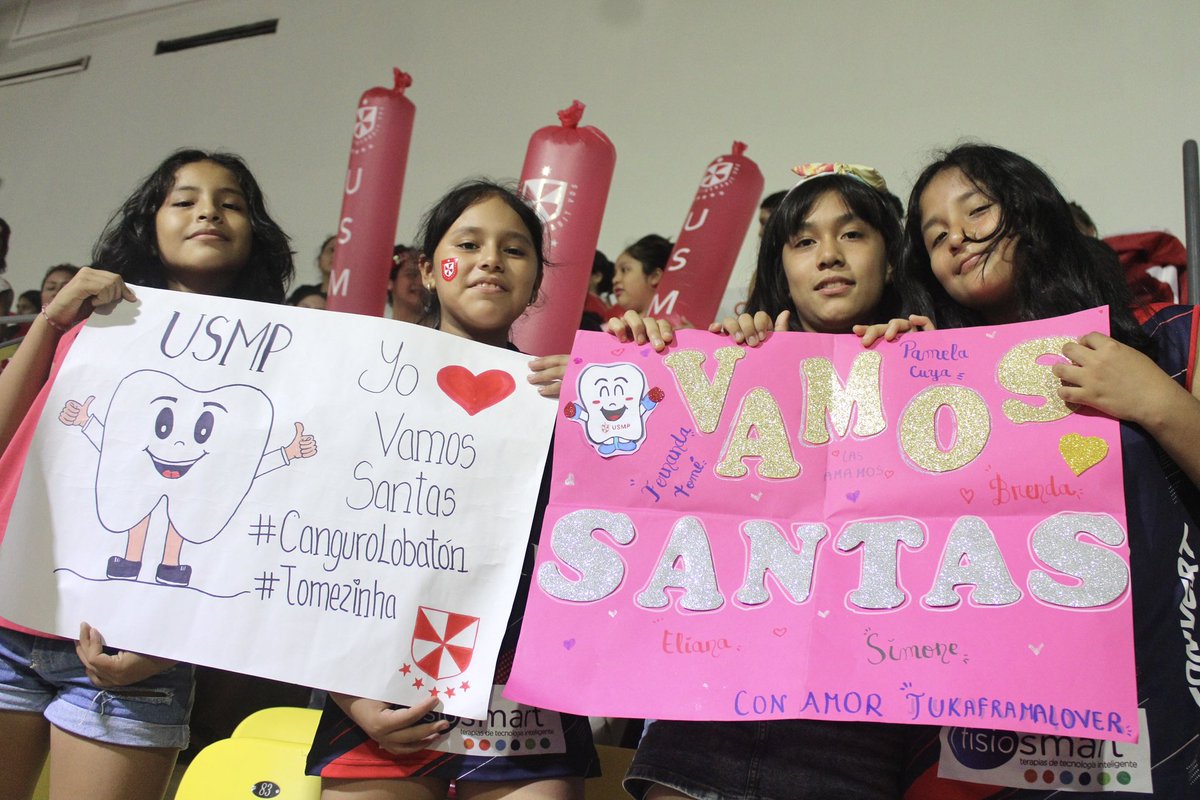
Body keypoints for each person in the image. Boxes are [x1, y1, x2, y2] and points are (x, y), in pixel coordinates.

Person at [895, 143, 1200, 799]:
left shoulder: (1172, 338)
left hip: (1167, 721)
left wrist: (1155, 398)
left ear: (1034, 214)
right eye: (936, 235)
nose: (958, 239)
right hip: (1002, 747)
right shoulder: (924, 391)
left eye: (976, 211)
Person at [610, 163, 915, 800]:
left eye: (852, 234)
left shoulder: (939, 367)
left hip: (857, 749)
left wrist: (932, 365)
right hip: (699, 729)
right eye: (803, 241)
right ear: (782, 266)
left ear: (892, 259)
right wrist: (638, 355)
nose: (828, 255)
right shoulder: (725, 360)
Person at [0, 148, 293, 800]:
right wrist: (50, 323)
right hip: (5, 625)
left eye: (231, 202)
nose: (208, 212)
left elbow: (264, 524)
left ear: (254, 230)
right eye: (184, 199)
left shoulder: (287, 361)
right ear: (150, 222)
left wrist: (175, 643)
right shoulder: (87, 324)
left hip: (136, 655)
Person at [305, 179, 598, 800]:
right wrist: (350, 696)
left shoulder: (573, 401)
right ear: (429, 271)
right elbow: (306, 551)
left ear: (535, 281)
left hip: (520, 710)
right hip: (380, 698)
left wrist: (605, 404)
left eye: (515, 250)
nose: (490, 259)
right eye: (468, 243)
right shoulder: (363, 389)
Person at [610, 234, 673, 317]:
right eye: (615, 273)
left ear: (655, 276)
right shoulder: (608, 326)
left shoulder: (681, 327)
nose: (615, 279)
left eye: (624, 270)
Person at [388, 244, 424, 323]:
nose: (421, 282)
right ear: (389, 282)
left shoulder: (443, 331)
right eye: (412, 274)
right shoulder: (377, 330)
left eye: (425, 276)